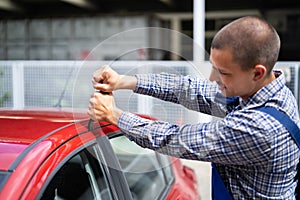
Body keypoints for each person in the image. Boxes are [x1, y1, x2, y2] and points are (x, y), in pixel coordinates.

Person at [87, 16, 300, 199]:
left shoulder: (260, 129)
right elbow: (189, 90)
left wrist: (114, 115)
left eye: (223, 72)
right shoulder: (264, 92)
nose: (212, 78)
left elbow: (176, 139)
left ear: (257, 73)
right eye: (213, 67)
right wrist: (124, 81)